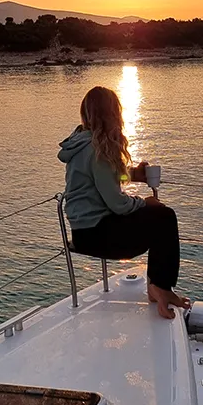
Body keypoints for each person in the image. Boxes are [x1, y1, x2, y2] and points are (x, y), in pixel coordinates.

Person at [58, 85, 191, 319]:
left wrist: (131, 175)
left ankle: (158, 286)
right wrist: (145, 202)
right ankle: (160, 288)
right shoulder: (95, 150)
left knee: (160, 217)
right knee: (164, 216)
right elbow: (117, 204)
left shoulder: (81, 144)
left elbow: (106, 178)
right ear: (111, 114)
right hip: (98, 236)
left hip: (83, 233)